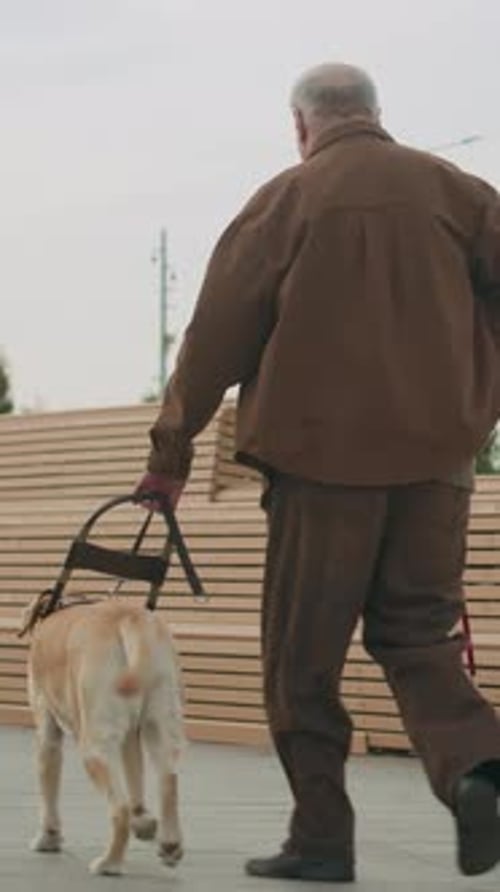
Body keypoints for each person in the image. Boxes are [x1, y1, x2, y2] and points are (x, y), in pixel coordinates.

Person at [137, 62, 500, 883]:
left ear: (302, 125)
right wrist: (478, 394)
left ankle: (321, 840)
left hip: (321, 473)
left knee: (302, 662)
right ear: (375, 112)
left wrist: (170, 454)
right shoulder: (461, 194)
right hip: (438, 470)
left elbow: (215, 337)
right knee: (420, 639)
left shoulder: (286, 201)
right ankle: (479, 771)